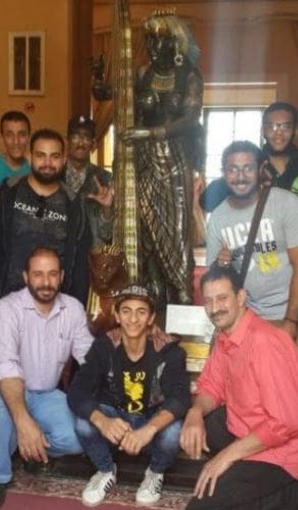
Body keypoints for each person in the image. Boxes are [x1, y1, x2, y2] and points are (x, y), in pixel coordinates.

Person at [180, 265, 298, 510]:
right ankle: (251, 484)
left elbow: (286, 424)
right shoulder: (225, 336)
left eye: (222, 298)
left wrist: (226, 457)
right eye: (208, 301)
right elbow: (211, 386)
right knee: (206, 421)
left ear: (241, 297)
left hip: (286, 451)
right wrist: (194, 413)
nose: (214, 308)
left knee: (200, 508)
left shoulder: (265, 343)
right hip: (250, 432)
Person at [0, 247, 94, 509]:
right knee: (4, 415)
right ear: (26, 276)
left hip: (46, 393)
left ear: (61, 276)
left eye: (52, 274)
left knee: (79, 438)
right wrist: (24, 422)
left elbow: (89, 357)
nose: (45, 282)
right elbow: (5, 367)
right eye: (38, 274)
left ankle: (32, 450)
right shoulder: (7, 308)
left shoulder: (73, 308)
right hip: (4, 389)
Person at [67, 284, 190, 506]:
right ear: (117, 315)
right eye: (126, 311)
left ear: (151, 318)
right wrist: (102, 421)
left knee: (173, 431)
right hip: (116, 424)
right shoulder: (104, 346)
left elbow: (180, 398)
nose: (133, 319)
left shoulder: (169, 351)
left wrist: (149, 429)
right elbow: (77, 390)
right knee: (83, 422)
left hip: (150, 424)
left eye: (141, 312)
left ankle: (155, 472)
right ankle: (106, 470)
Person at [122, 10, 204, 305]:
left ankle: (181, 295)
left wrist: (150, 133)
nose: (154, 48)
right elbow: (122, 103)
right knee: (146, 229)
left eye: (161, 40)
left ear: (175, 43)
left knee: (176, 231)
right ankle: (153, 298)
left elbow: (191, 119)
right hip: (144, 160)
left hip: (174, 160)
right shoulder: (142, 74)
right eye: (150, 41)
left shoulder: (189, 75)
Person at [206, 141, 298, 340]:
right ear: (223, 173)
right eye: (233, 169)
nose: (240, 176)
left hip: (290, 313)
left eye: (248, 168)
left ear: (261, 169)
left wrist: (291, 320)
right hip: (245, 318)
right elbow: (214, 278)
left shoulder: (286, 203)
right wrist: (221, 264)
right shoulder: (218, 218)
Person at [0, 128, 92, 310]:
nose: (48, 163)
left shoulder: (74, 203)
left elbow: (80, 262)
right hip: (7, 300)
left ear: (64, 159)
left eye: (55, 157)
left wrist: (77, 306)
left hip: (56, 306)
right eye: (41, 155)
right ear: (30, 157)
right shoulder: (7, 191)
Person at [201, 102, 298, 212]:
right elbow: (207, 203)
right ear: (263, 131)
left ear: (296, 131)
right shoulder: (251, 165)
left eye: (285, 127)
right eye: (272, 127)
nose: (278, 133)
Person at [63, 114, 113, 248]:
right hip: (59, 255)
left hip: (92, 256)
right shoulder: (54, 176)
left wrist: (106, 209)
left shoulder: (106, 179)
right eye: (75, 137)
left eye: (86, 138)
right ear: (67, 141)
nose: (80, 143)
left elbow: (107, 234)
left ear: (93, 144)